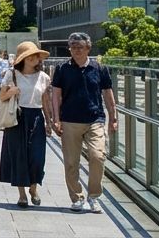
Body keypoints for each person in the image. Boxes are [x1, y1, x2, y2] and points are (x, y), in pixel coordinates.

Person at [51, 32, 118, 214]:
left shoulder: (99, 68)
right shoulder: (62, 68)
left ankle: (94, 196)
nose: (76, 50)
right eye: (73, 47)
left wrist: (113, 116)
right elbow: (56, 95)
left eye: (80, 47)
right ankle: (77, 197)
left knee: (97, 156)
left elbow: (107, 93)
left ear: (89, 48)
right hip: (70, 119)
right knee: (71, 162)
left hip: (94, 118)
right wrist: (56, 118)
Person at [0, 41, 52, 209]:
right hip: (17, 117)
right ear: (24, 58)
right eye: (32, 55)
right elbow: (1, 97)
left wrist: (49, 121)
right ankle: (22, 194)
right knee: (18, 156)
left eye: (37, 55)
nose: (35, 58)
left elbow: (45, 100)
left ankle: (34, 188)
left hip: (36, 116)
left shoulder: (43, 77)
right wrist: (10, 92)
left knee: (37, 157)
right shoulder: (11, 74)